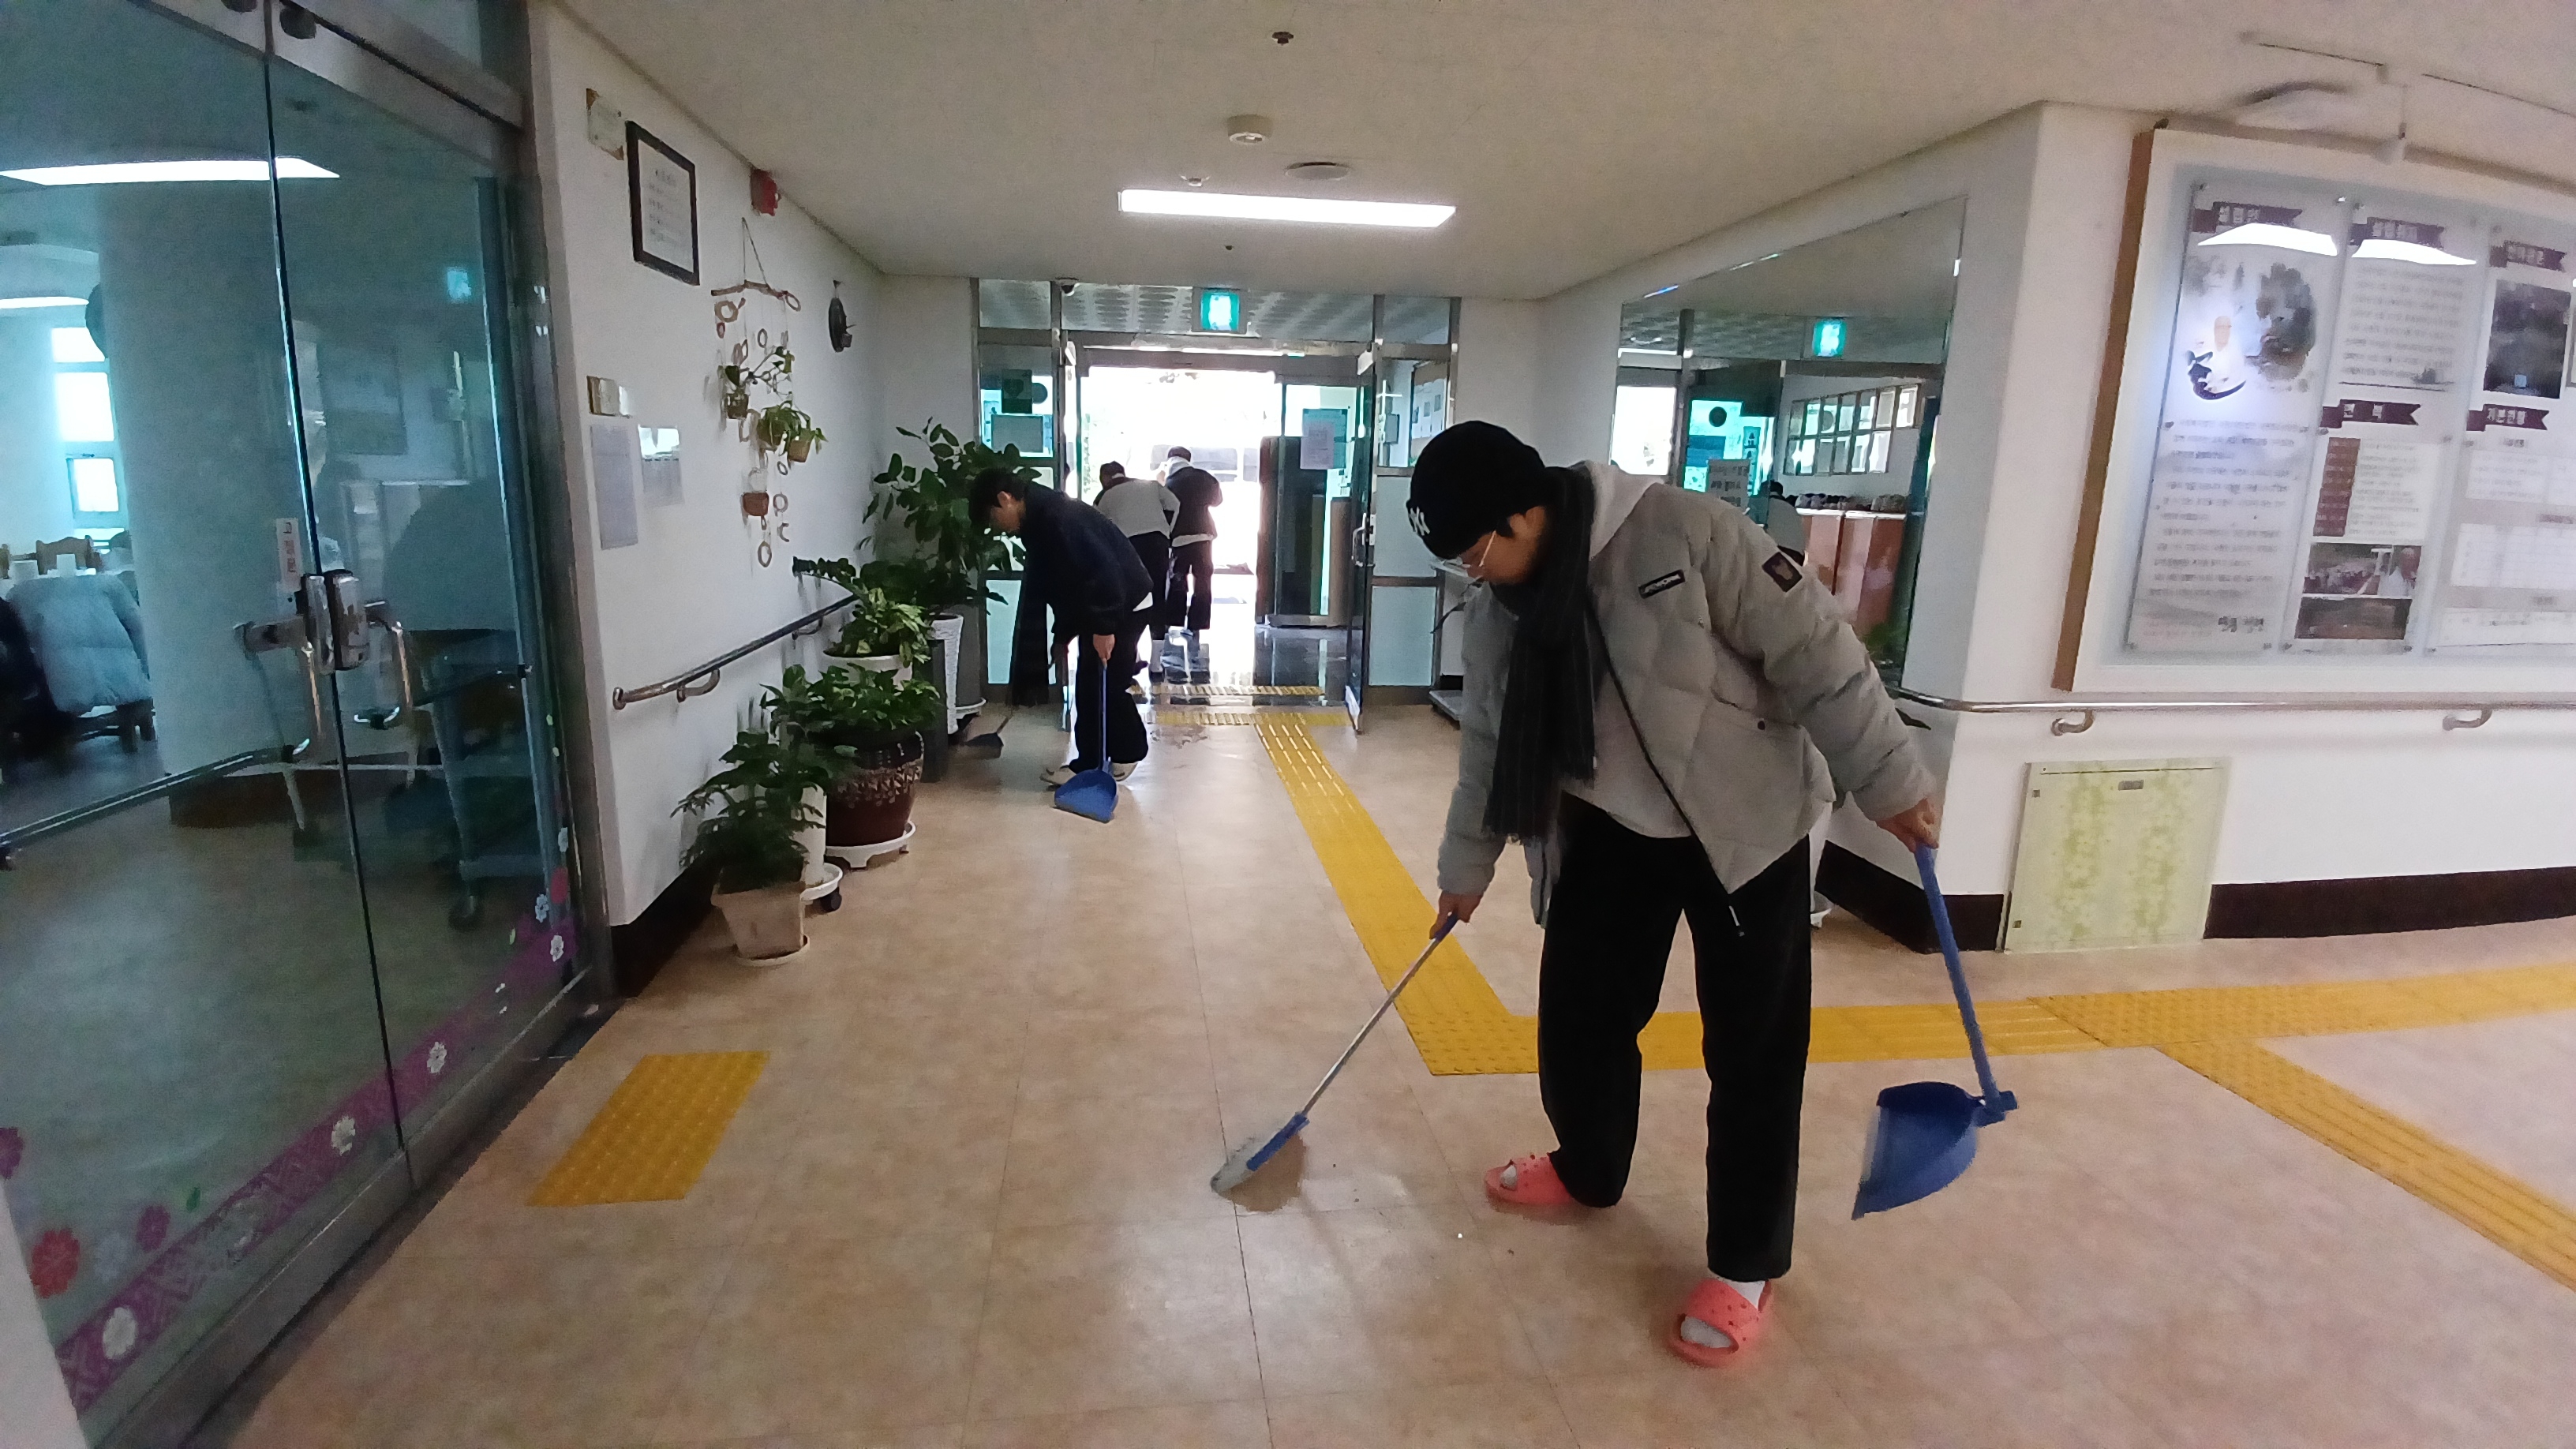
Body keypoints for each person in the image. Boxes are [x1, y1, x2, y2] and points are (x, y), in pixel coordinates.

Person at [1409, 421, 1937, 1367]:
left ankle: (1745, 1263)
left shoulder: (1686, 532)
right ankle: (1588, 1166)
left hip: (1745, 821)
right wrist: (1464, 868)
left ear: (1527, 512)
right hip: (1606, 827)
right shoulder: (1500, 611)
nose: (1474, 573)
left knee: (1753, 1049)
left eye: (1478, 550)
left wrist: (1891, 780)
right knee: (1580, 1019)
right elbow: (1488, 747)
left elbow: (1817, 652)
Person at [970, 467, 1155, 785]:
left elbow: (1103, 571)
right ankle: (1091, 761)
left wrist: (1104, 627)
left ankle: (1125, 752)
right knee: (1090, 683)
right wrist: (1063, 635)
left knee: (1106, 683)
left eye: (992, 517)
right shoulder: (1038, 520)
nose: (995, 527)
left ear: (1005, 498)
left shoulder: (1058, 517)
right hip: (1105, 604)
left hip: (1124, 603)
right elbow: (1064, 583)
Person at [1092, 461, 1181, 661]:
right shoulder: (1150, 485)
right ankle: (1156, 661)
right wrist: (1167, 529)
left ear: (1104, 478)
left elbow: (1097, 526)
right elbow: (1175, 504)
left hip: (1128, 548)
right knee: (1157, 596)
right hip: (1157, 544)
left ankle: (1134, 654)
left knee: (1131, 598)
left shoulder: (1104, 495)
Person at [1162, 446, 1223, 636]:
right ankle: (1197, 623)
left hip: (1180, 537)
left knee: (1178, 579)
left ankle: (1174, 621)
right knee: (1203, 581)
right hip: (1204, 536)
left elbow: (1166, 509)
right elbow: (1217, 501)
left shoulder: (1170, 482)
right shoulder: (1206, 477)